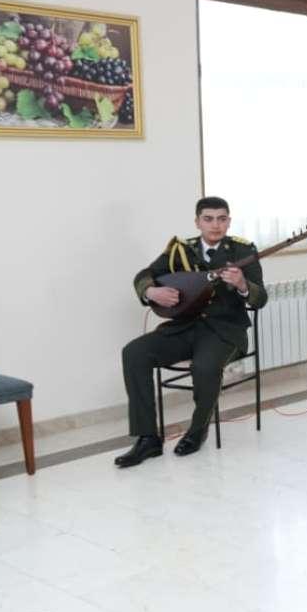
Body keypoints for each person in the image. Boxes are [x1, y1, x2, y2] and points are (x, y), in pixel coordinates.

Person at [116, 197, 266, 467]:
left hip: (225, 331)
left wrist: (243, 284)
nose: (215, 225)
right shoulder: (181, 250)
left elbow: (260, 299)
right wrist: (152, 292)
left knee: (204, 366)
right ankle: (148, 438)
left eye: (221, 219)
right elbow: (144, 275)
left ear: (229, 222)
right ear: (197, 222)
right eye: (208, 219)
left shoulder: (243, 251)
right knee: (134, 353)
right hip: (184, 328)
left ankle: (197, 431)